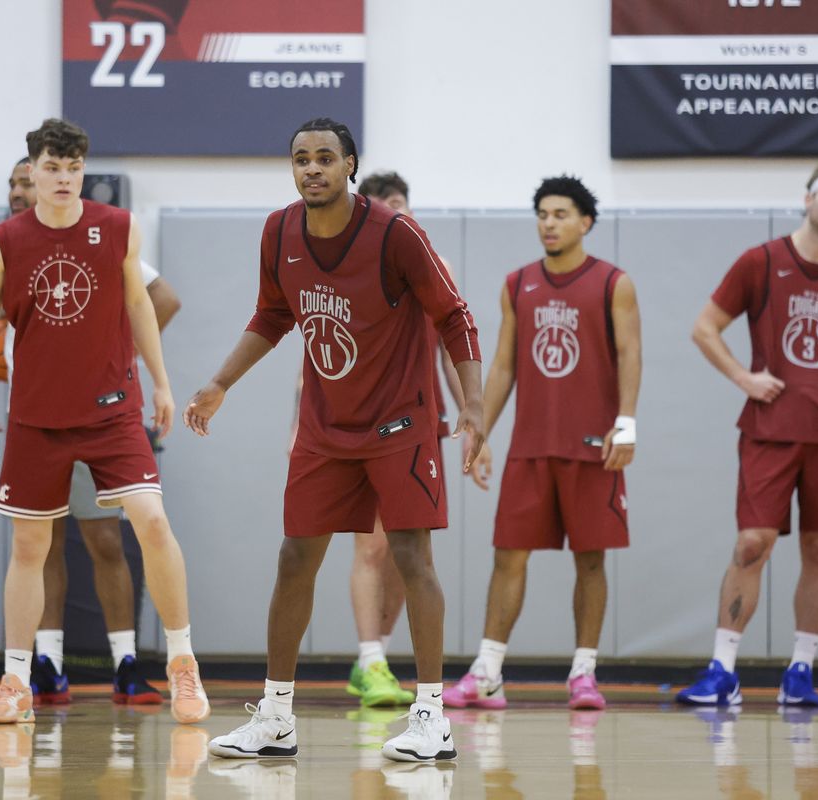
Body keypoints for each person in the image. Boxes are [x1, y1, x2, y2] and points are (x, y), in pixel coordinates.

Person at [186, 117, 483, 762]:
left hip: (401, 422)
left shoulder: (395, 233)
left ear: (351, 164)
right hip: (325, 429)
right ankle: (276, 719)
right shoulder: (279, 230)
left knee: (411, 557)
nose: (312, 168)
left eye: (325, 158)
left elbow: (453, 315)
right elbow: (272, 313)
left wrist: (475, 403)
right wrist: (220, 382)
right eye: (301, 159)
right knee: (295, 558)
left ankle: (430, 718)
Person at [0, 118, 209, 726]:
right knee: (30, 544)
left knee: (151, 522)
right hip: (37, 417)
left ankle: (183, 665)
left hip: (110, 409)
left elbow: (138, 305)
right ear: (32, 171)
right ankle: (16, 683)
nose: (64, 179)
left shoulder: (118, 228)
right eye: (53, 168)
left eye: (74, 169)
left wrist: (161, 381)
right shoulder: (5, 241)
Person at [678, 162, 818, 707]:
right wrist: (743, 377)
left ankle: (800, 671)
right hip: (770, 431)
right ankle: (723, 670)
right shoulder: (761, 261)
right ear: (806, 199)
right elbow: (704, 328)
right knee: (751, 544)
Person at [0, 157, 181, 706]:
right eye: (14, 181)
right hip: (35, 412)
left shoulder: (100, 231)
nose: (20, 188)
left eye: (26, 178)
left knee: (106, 538)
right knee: (41, 543)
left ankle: (127, 662)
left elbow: (159, 299)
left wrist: (112, 356)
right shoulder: (7, 245)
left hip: (97, 407)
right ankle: (47, 664)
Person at [444, 176, 642, 711]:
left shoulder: (613, 283)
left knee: (591, 561)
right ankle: (486, 673)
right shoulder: (518, 283)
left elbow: (629, 353)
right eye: (542, 214)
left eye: (560, 214)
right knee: (508, 556)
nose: (549, 223)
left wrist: (626, 423)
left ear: (585, 222)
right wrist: (480, 429)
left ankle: (584, 673)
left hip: (592, 445)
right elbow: (505, 362)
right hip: (531, 446)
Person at [338, 170, 465, 708]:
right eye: (386, 203)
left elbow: (451, 345)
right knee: (371, 544)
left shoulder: (432, 266)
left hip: (419, 421)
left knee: (403, 551)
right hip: (357, 423)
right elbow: (322, 350)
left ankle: (377, 661)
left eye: (403, 203)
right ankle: (370, 661)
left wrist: (470, 415)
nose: (397, 211)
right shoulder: (350, 265)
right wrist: (300, 421)